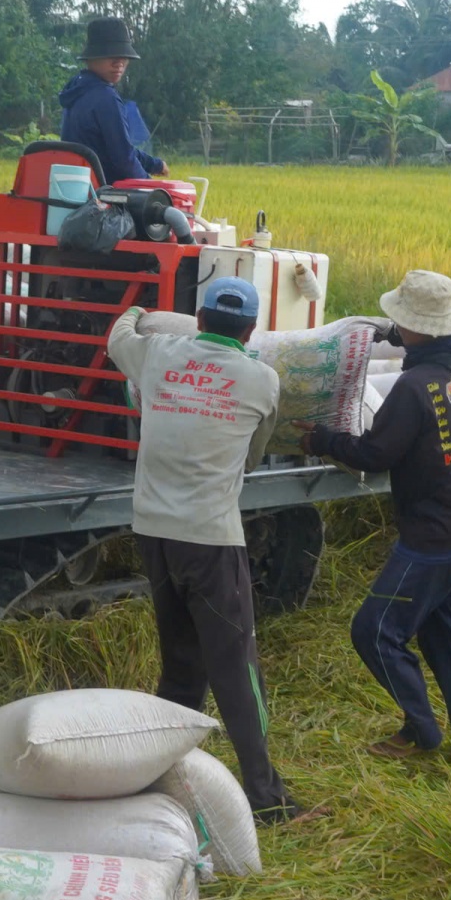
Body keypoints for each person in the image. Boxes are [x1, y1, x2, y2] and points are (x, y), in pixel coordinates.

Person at [107, 277, 307, 824]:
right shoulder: (261, 380)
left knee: (181, 665)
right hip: (211, 538)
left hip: (154, 532)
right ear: (251, 330)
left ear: (198, 319)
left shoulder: (157, 354)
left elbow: (118, 338)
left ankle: (159, 777)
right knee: (237, 670)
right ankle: (266, 798)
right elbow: (254, 455)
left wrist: (140, 307)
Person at [301, 269, 451, 762]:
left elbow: (375, 453)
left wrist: (322, 440)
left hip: (432, 542)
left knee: (374, 631)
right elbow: (437, 347)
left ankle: (422, 729)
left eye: (402, 320)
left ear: (419, 328)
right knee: (445, 638)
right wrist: (394, 336)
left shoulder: (413, 388)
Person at [59, 17, 169, 184]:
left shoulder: (76, 91)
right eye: (110, 55)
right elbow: (124, 160)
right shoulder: (105, 97)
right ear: (91, 58)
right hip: (104, 191)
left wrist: (154, 164)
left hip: (77, 186)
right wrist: (151, 186)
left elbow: (118, 148)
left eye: (124, 56)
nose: (119, 63)